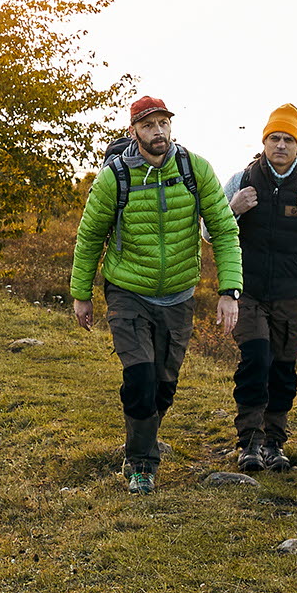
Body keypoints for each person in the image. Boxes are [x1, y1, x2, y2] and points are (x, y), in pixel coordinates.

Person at [69, 94, 243, 493]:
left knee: (164, 383)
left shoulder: (194, 169)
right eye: (149, 125)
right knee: (141, 377)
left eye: (163, 123)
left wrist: (229, 290)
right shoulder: (116, 176)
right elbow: (91, 236)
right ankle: (141, 464)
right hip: (128, 290)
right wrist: (82, 294)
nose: (158, 131)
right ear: (134, 132)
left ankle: (142, 434)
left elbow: (224, 228)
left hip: (178, 295)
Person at [220, 104, 297, 473]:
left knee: (283, 369)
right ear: (264, 142)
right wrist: (234, 207)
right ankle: (250, 443)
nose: (280, 145)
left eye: (288, 139)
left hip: (292, 295)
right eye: (274, 138)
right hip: (249, 293)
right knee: (256, 360)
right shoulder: (241, 179)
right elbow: (210, 232)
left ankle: (275, 442)